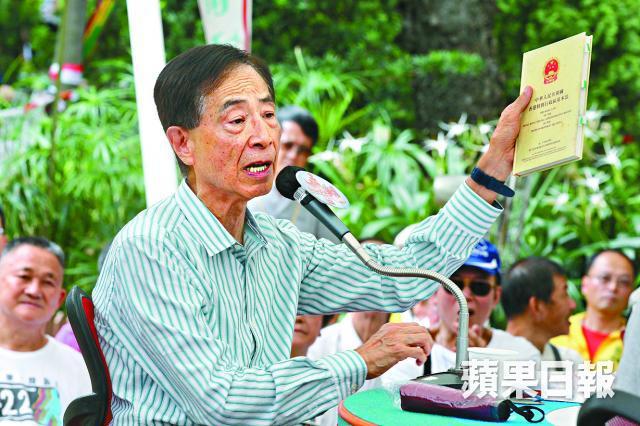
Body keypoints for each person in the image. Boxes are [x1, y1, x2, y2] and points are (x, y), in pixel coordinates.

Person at [92, 44, 532, 424]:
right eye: (237, 121)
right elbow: (224, 402)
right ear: (182, 143)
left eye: (268, 115)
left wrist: (491, 171)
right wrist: (361, 361)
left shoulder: (278, 244)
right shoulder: (150, 249)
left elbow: (401, 277)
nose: (264, 136)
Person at [384, 240, 540, 385]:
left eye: (479, 287)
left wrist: (485, 365)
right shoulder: (408, 352)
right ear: (434, 291)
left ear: (496, 296)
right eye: (454, 284)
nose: (465, 295)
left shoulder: (521, 354)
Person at [0, 237, 91, 424]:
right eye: (24, 277)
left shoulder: (79, 369)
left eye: (48, 282)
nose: (34, 291)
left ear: (60, 298)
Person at [248, 105, 338, 242]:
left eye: (303, 150)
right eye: (288, 145)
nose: (293, 156)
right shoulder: (243, 192)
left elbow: (336, 250)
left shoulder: (315, 204)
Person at [551, 249, 636, 369]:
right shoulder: (554, 330)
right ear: (585, 284)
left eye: (624, 282)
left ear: (632, 291)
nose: (613, 287)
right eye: (605, 278)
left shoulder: (634, 339)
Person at [502, 257, 583, 365]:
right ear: (536, 306)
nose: (573, 305)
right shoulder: (489, 362)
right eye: (564, 295)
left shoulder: (569, 362)